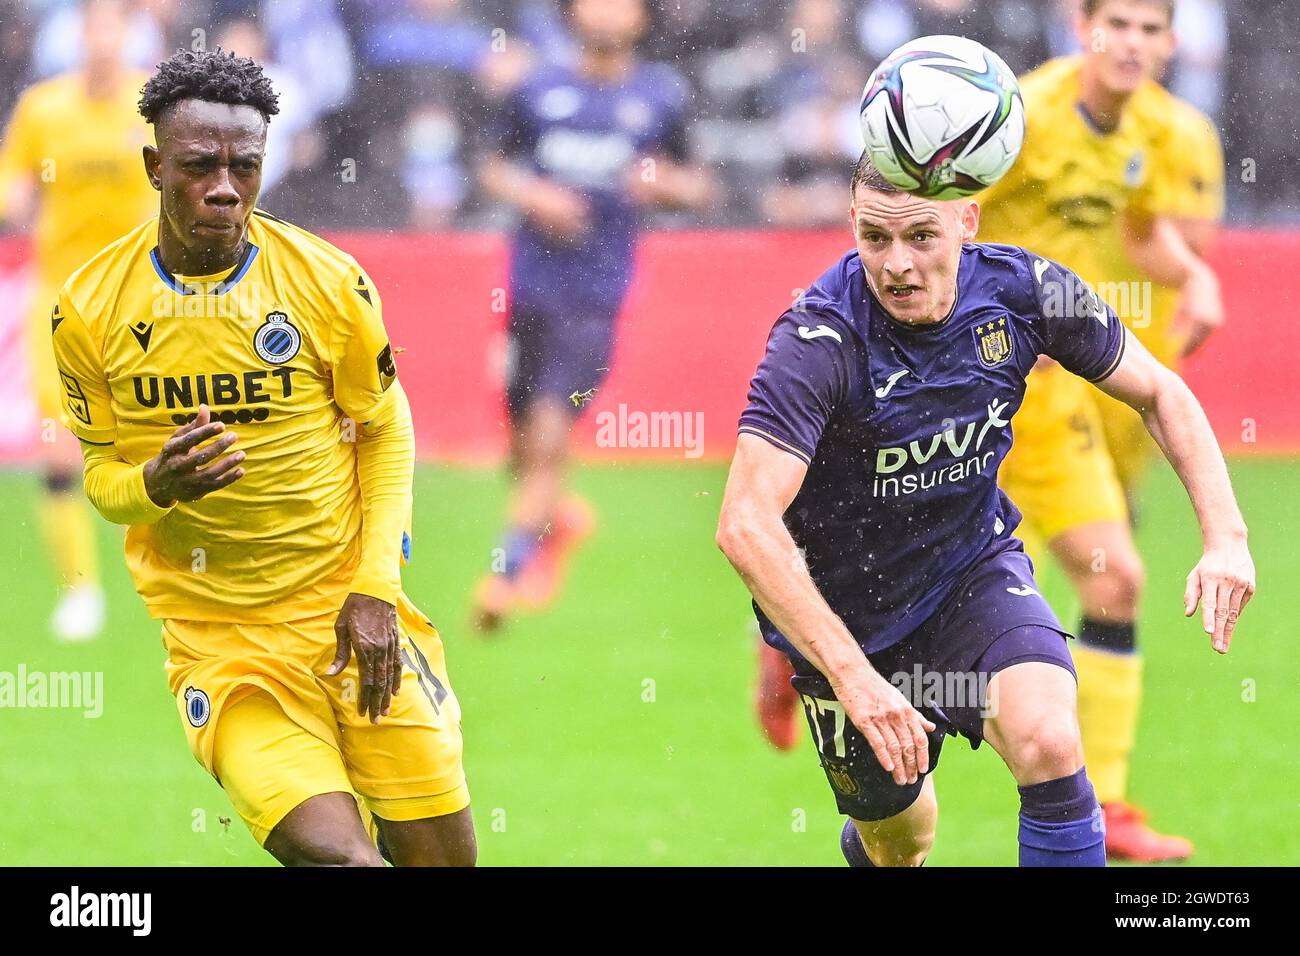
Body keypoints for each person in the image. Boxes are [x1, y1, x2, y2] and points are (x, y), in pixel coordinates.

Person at [717, 151, 1254, 867]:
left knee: (1052, 740)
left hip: (969, 576)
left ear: (967, 221)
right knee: (900, 845)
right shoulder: (816, 341)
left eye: (921, 237)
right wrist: (854, 679)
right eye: (874, 238)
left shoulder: (1024, 289)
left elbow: (1160, 391)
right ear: (852, 224)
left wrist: (1225, 536)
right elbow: (745, 522)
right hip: (847, 618)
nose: (897, 264)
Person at [50, 48, 474, 866]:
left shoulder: (326, 283)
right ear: (154, 166)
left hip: (354, 618)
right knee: (347, 861)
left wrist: (376, 587)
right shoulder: (91, 309)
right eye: (198, 165)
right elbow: (102, 481)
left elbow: (385, 428)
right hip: (225, 644)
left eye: (244, 166)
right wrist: (156, 485)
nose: (223, 187)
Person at [976, 0, 1224, 861]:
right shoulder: (1023, 118)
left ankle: (1106, 807)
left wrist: (1193, 277)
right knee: (896, 578)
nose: (1131, 43)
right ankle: (783, 648)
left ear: (1172, 43)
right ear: (1081, 27)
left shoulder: (1158, 131)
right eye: (1115, 23)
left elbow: (1143, 235)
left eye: (1149, 29)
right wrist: (988, 322)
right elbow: (949, 223)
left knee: (1113, 578)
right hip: (969, 390)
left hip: (1054, 397)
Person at [473, 0, 713, 631]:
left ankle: (504, 574)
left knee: (551, 437)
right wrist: (534, 193)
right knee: (521, 448)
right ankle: (561, 521)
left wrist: (662, 183)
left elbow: (699, 185)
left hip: (596, 296)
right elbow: (492, 166)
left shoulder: (659, 96)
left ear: (641, 17)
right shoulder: (536, 89)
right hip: (529, 290)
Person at [0, 0, 155, 641]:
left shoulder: (151, 101)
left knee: (158, 435)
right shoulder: (44, 108)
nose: (102, 42)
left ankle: (183, 573)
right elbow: (12, 181)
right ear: (80, 37)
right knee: (58, 441)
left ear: (127, 37)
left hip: (140, 295)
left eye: (112, 30)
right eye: (92, 30)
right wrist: (17, 200)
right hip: (62, 297)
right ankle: (81, 590)